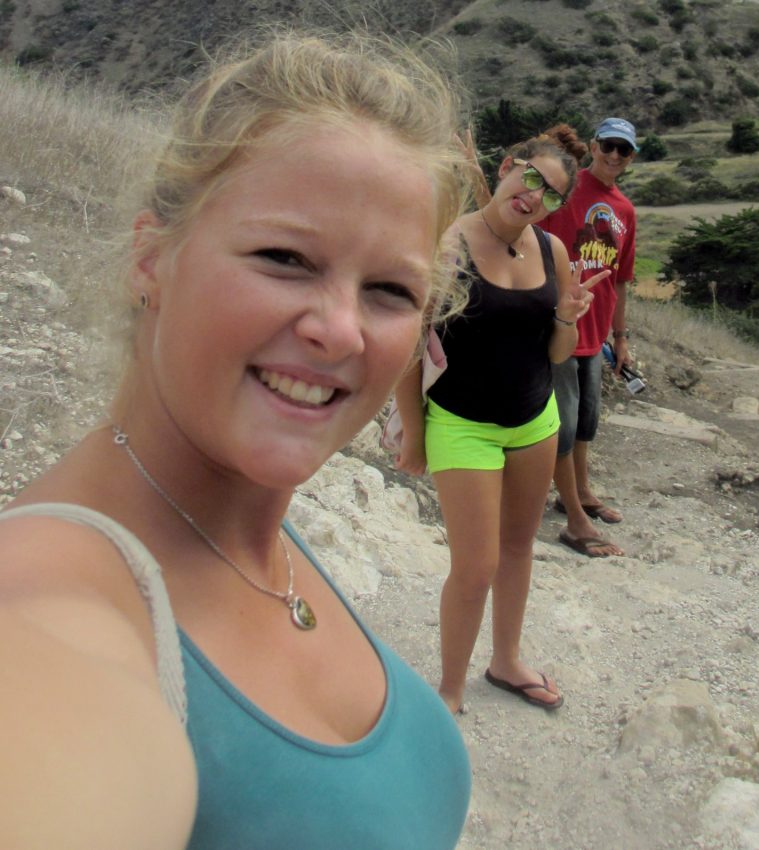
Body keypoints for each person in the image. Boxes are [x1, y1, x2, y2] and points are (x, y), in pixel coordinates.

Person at [0, 32, 472, 849]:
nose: (339, 330)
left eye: (391, 289)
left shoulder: (253, 534)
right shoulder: (51, 606)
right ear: (152, 258)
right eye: (284, 258)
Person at [394, 126, 605, 714]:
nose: (536, 196)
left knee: (518, 547)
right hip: (463, 424)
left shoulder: (552, 251)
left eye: (554, 194)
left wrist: (567, 317)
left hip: (534, 421)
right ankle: (450, 690)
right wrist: (414, 431)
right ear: (510, 166)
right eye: (531, 178)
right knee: (476, 565)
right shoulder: (449, 245)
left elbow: (558, 355)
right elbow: (411, 348)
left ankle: (506, 659)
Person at [540, 116, 639, 558]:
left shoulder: (624, 211)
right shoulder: (567, 187)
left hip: (596, 331)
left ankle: (579, 491)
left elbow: (621, 280)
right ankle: (575, 517)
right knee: (561, 423)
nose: (615, 155)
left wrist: (620, 337)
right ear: (594, 145)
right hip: (559, 322)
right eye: (609, 145)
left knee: (586, 421)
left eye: (625, 150)